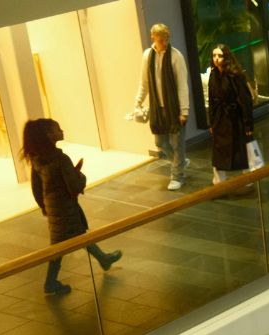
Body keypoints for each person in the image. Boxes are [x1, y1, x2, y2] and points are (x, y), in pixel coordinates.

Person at [20, 119, 122, 295]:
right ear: (49, 135)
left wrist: (44, 207)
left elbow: (37, 189)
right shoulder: (60, 159)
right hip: (65, 207)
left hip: (54, 208)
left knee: (77, 235)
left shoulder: (37, 159)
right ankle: (50, 282)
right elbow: (75, 185)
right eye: (57, 129)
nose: (61, 131)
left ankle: (103, 259)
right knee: (61, 245)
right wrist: (80, 175)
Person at [135, 23, 190, 191]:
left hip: (174, 109)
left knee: (176, 143)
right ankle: (179, 161)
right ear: (153, 37)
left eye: (166, 38)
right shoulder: (147, 56)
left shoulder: (176, 56)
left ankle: (177, 176)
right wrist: (138, 101)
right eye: (160, 38)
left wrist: (184, 110)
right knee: (160, 142)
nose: (164, 42)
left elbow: (182, 85)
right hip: (157, 108)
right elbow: (144, 82)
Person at [207, 43, 254, 185]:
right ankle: (219, 182)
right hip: (220, 119)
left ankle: (249, 179)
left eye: (220, 56)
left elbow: (245, 100)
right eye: (214, 55)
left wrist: (248, 125)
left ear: (226, 57)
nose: (216, 59)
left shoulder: (235, 75)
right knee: (219, 152)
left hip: (235, 119)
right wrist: (212, 121)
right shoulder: (213, 74)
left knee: (242, 150)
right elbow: (211, 99)